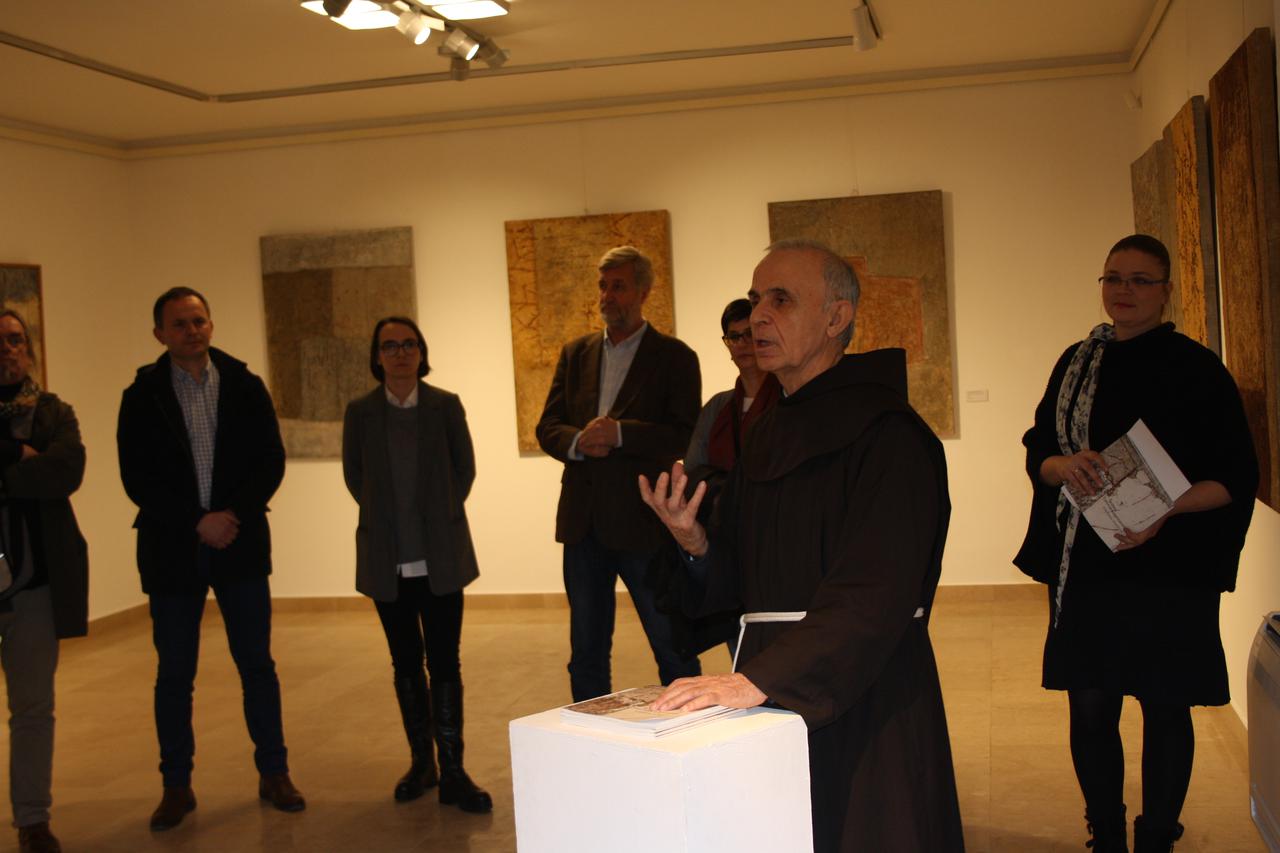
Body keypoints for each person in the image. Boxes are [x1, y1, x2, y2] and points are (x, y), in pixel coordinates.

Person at [640, 240, 964, 853]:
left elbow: (876, 590)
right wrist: (696, 542)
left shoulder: (888, 433)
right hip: (773, 679)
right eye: (756, 299)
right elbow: (748, 578)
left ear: (836, 317)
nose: (758, 316)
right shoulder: (768, 430)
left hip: (865, 686)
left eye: (781, 300)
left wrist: (758, 680)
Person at [1014, 234, 1258, 853]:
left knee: (1164, 706)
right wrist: (1062, 466)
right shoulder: (1077, 361)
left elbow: (1235, 476)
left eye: (1140, 280)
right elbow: (1039, 445)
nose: (1124, 291)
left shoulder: (1197, 368)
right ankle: (1106, 834)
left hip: (1170, 565)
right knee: (1090, 705)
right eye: (1113, 278)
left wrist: (1165, 511)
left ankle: (1156, 838)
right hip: (1088, 564)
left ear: (1166, 291)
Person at [117, 287, 305, 831]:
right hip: (172, 551)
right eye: (179, 324)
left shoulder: (244, 384)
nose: (191, 331)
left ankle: (275, 773)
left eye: (198, 320)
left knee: (257, 666)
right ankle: (176, 786)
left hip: (239, 543)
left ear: (211, 325)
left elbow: (271, 459)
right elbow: (136, 477)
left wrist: (230, 516)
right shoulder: (142, 394)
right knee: (175, 674)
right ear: (160, 334)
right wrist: (197, 520)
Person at [536, 245, 703, 702]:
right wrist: (577, 442)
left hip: (644, 525)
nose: (607, 296)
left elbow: (684, 434)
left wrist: (621, 434)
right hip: (583, 525)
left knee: (672, 646)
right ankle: (592, 734)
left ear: (644, 291)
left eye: (619, 286)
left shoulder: (674, 357)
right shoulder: (576, 354)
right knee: (586, 652)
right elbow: (548, 426)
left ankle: (691, 726)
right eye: (603, 286)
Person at [342, 316, 492, 813]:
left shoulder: (444, 406)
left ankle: (453, 771)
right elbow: (355, 477)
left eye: (409, 344)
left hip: (441, 557)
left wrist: (437, 514)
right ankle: (422, 764)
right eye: (390, 346)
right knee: (405, 662)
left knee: (445, 660)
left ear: (421, 352)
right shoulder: (360, 412)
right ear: (377, 356)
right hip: (387, 560)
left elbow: (464, 469)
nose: (400, 353)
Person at [0, 311, 87, 853]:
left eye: (15, 339)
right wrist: (16, 454)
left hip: (33, 584)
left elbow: (66, 472)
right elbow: (38, 472)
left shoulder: (54, 412)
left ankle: (32, 820)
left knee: (32, 708)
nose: (7, 349)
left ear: (28, 349)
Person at [678, 298, 781, 658]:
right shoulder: (717, 408)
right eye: (734, 337)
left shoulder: (789, 400)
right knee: (740, 644)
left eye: (750, 334)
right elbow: (694, 471)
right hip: (729, 541)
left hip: (776, 542)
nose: (743, 344)